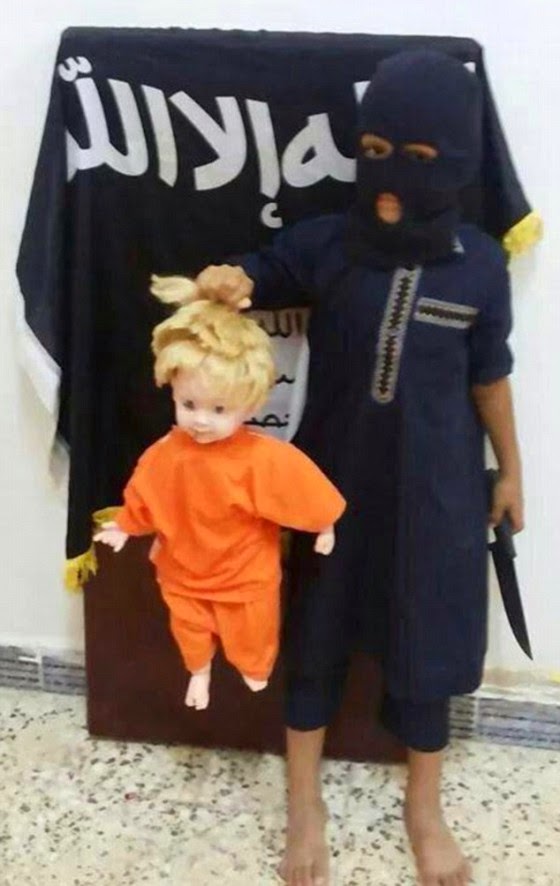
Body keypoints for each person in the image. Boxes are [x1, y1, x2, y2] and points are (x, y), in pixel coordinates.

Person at [187, 49, 525, 886]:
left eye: (417, 159)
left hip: (437, 498)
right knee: (316, 635)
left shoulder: (481, 265)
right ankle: (304, 802)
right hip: (327, 492)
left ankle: (424, 807)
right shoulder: (328, 244)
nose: (390, 178)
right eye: (374, 152)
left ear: (455, 162)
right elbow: (263, 276)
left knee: (429, 641)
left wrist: (512, 471)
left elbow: (490, 376)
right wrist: (231, 278)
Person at [94, 283, 345, 711]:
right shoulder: (164, 454)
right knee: (188, 626)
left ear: (250, 406)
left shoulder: (261, 457)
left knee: (253, 630)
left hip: (244, 573)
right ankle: (199, 671)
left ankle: (254, 665)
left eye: (219, 410)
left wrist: (324, 524)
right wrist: (125, 525)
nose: (201, 421)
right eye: (189, 404)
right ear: (173, 390)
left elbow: (299, 489)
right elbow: (144, 495)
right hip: (183, 569)